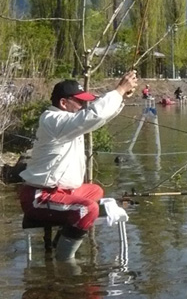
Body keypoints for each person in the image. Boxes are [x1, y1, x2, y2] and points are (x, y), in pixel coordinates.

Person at [18, 70, 138, 261]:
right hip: (39, 197)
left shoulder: (66, 121)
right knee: (88, 209)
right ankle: (65, 261)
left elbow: (97, 119)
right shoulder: (53, 120)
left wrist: (120, 97)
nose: (84, 106)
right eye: (79, 102)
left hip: (61, 192)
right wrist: (119, 90)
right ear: (63, 103)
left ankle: (62, 239)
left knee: (95, 191)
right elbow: (92, 116)